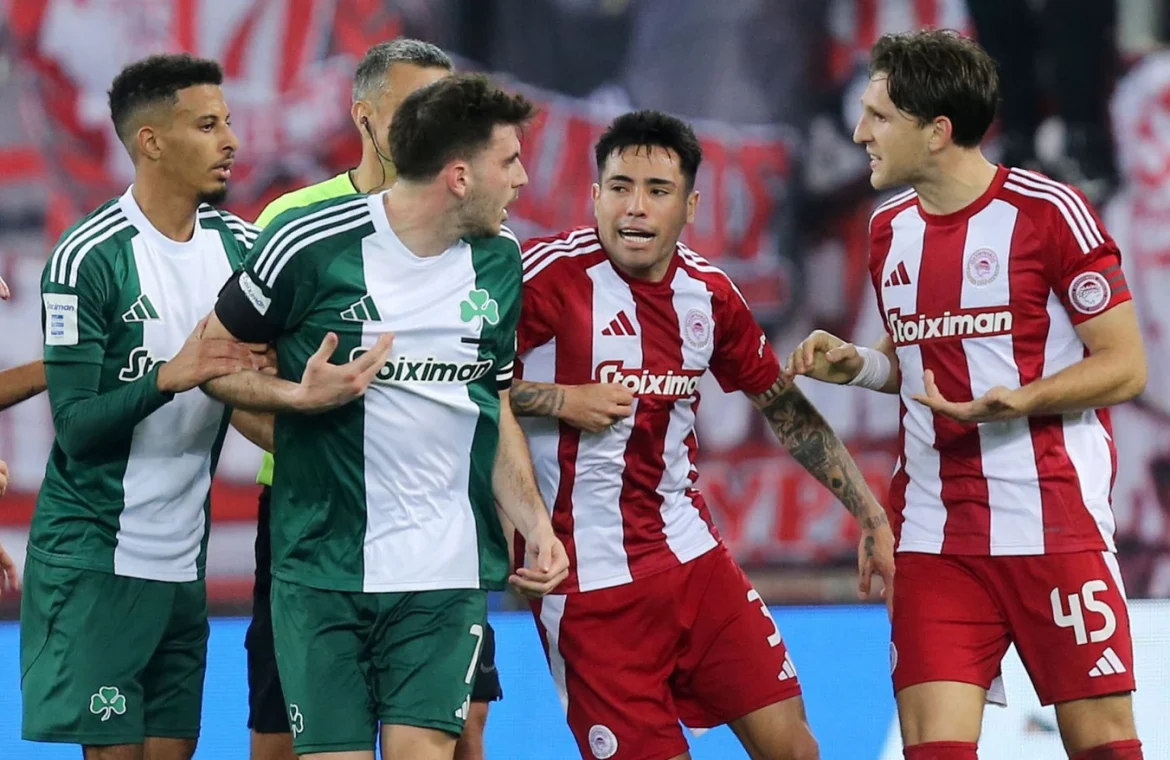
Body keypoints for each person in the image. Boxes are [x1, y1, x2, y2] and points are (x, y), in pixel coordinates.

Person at [789, 30, 1146, 760]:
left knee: (1106, 747)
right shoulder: (888, 231)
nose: (859, 135)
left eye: (878, 117)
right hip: (934, 540)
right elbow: (921, 363)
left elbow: (1125, 365)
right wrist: (859, 366)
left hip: (1055, 529)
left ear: (936, 131)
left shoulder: (1050, 213)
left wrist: (1021, 401)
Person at [199, 73, 569, 760]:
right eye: (510, 161)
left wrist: (536, 526)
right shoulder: (305, 243)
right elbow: (205, 360)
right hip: (320, 572)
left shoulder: (500, 260)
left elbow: (490, 406)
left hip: (442, 578)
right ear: (460, 176)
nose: (522, 180)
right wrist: (297, 398)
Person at [510, 110, 895, 760]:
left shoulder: (709, 295)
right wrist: (561, 399)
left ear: (690, 207)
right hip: (587, 586)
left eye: (657, 190)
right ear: (594, 195)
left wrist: (870, 514)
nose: (635, 207)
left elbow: (784, 408)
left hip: (694, 563)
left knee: (795, 749)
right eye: (619, 187)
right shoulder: (542, 276)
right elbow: (461, 382)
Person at [241, 40, 504, 760]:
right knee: (281, 735)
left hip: (436, 521)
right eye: (420, 108)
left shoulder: (479, 230)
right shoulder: (294, 221)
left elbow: (490, 385)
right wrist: (329, 448)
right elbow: (232, 374)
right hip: (311, 520)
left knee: (464, 726)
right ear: (364, 117)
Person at [19, 52, 262, 760]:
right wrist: (167, 377)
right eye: (208, 125)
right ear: (151, 141)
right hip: (95, 562)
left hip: (183, 564)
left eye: (228, 122)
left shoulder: (245, 251)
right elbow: (75, 429)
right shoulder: (88, 257)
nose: (231, 141)